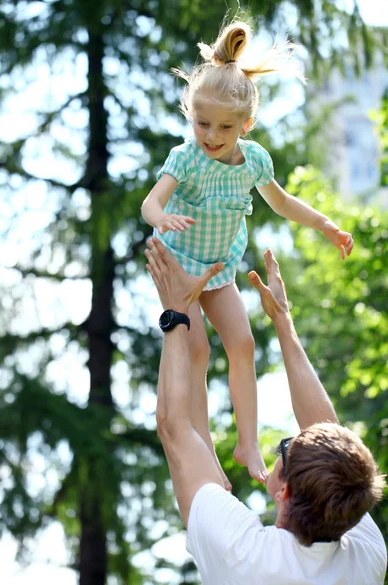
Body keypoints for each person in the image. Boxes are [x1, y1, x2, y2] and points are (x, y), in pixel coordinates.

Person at [141, 16, 354, 488]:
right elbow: (150, 202)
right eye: (201, 123)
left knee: (243, 344)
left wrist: (323, 223)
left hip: (219, 270)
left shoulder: (254, 160)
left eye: (224, 126)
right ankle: (199, 445)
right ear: (189, 116)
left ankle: (246, 442)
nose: (211, 135)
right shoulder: (186, 157)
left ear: (247, 124)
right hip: (178, 268)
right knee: (194, 351)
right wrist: (162, 218)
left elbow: (279, 201)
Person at [144, 236, 386, 585]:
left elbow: (175, 428)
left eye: (287, 447)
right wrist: (282, 320)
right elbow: (328, 432)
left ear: (284, 492)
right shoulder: (362, 555)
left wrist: (175, 311)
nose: (292, 438)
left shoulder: (246, 557)